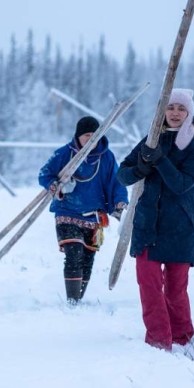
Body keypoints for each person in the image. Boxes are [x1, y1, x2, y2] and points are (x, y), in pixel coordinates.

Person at [117, 89, 194, 351]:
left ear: (189, 112)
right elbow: (122, 175)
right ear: (163, 111)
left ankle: (182, 337)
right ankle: (158, 340)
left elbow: (181, 184)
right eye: (171, 108)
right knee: (148, 285)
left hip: (181, 227)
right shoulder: (151, 140)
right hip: (148, 226)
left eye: (181, 108)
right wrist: (140, 168)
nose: (176, 113)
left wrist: (159, 160)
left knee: (175, 290)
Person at [38, 116, 128, 304]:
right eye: (86, 135)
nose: (90, 139)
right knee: (74, 252)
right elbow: (44, 174)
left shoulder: (107, 157)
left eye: (94, 135)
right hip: (67, 211)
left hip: (94, 215)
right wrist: (56, 186)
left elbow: (116, 183)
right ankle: (72, 301)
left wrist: (120, 203)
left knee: (88, 257)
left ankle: (78, 298)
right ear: (78, 137)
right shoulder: (64, 154)